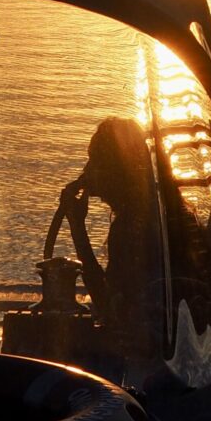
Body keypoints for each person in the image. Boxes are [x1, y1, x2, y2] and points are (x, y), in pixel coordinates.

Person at [59, 117, 162, 326]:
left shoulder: (127, 229)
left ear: (114, 170)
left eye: (94, 160)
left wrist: (78, 229)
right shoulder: (155, 211)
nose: (86, 169)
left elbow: (109, 307)